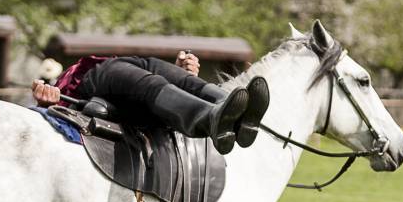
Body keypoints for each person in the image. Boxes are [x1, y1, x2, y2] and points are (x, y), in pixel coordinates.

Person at [31, 52, 269, 155]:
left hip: (118, 69)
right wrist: (45, 103)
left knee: (174, 75)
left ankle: (230, 106)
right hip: (91, 81)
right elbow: (39, 114)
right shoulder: (57, 85)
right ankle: (210, 118)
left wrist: (178, 73)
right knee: (149, 82)